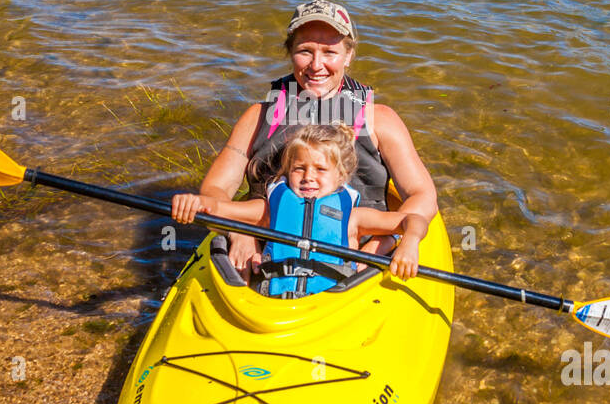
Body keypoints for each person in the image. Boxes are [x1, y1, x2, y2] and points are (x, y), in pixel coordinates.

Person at [173, 0, 438, 280]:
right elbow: (216, 187)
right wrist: (240, 231)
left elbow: (422, 196)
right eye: (305, 51)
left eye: (330, 52)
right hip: (264, 251)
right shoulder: (259, 116)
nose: (316, 65)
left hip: (359, 257)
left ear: (348, 55)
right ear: (290, 53)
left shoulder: (379, 120)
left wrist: (384, 244)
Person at [170, 123, 427, 291]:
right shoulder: (272, 211)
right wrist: (196, 203)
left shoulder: (353, 219)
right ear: (287, 172)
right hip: (269, 302)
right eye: (299, 169)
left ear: (341, 176)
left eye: (320, 170)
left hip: (330, 303)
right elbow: (219, 209)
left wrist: (409, 243)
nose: (308, 177)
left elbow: (412, 220)